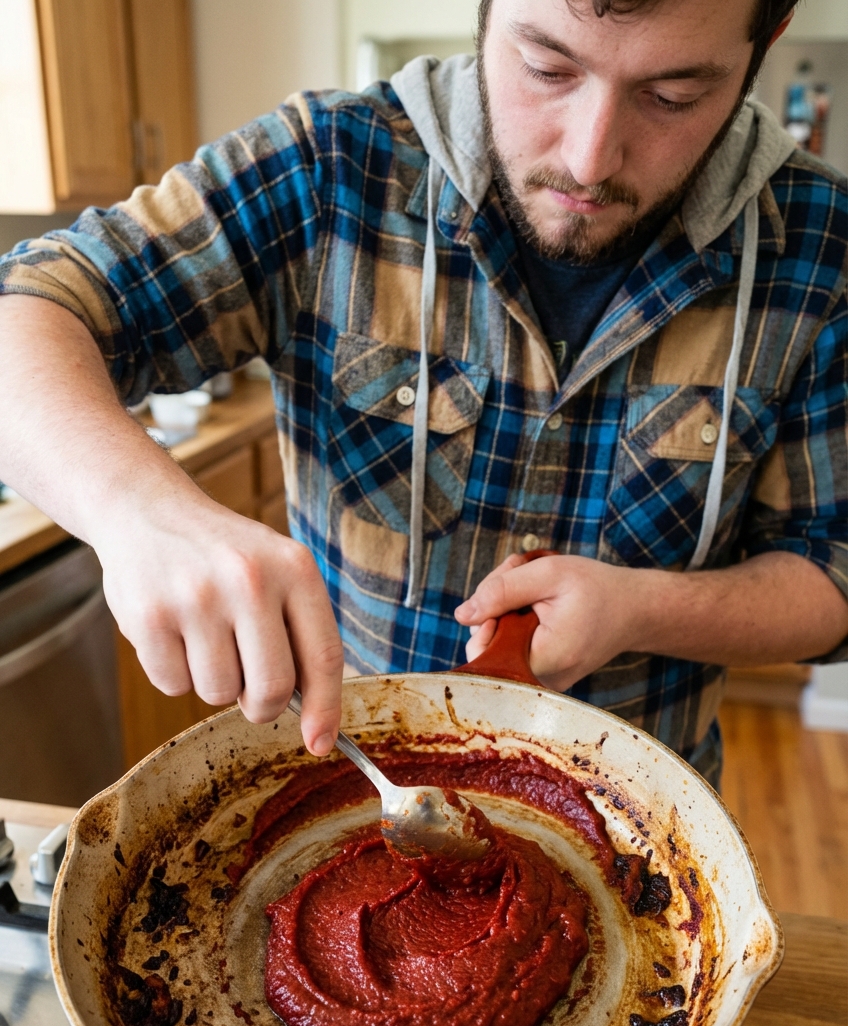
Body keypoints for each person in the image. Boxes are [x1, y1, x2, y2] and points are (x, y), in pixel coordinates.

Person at [0, 0, 845, 786]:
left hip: (644, 811)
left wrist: (646, 611)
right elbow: (31, 308)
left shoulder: (822, 249)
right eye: (547, 69)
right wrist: (136, 509)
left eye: (671, 96)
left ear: (760, 48)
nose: (589, 156)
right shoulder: (326, 170)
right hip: (351, 782)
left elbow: (834, 570)